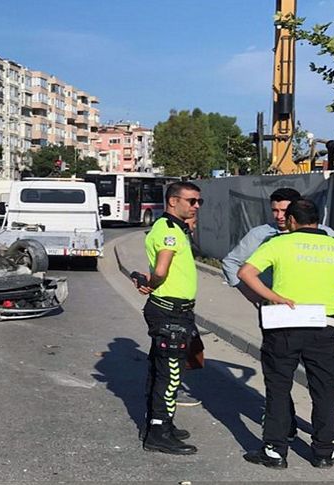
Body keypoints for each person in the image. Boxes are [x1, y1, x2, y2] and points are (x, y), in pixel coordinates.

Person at [238, 199, 334, 469]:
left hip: (283, 325)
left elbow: (245, 273)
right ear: (317, 220)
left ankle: (274, 450)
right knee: (323, 390)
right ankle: (324, 451)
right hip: (323, 325)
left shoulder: (278, 244)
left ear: (292, 221)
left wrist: (274, 296)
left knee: (278, 388)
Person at [221, 187, 334, 445]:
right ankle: (285, 424)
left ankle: (324, 433)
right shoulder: (262, 235)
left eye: (285, 211)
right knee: (280, 376)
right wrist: (257, 296)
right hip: (277, 315)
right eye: (275, 210)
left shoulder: (326, 235)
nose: (280, 216)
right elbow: (232, 264)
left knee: (320, 381)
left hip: (317, 318)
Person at [133, 181, 203, 455]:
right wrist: (152, 282)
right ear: (173, 201)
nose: (196, 206)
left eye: (199, 201)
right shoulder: (169, 232)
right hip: (170, 310)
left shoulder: (174, 228)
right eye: (192, 201)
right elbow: (162, 269)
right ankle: (158, 433)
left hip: (173, 310)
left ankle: (159, 424)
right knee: (171, 374)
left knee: (161, 369)